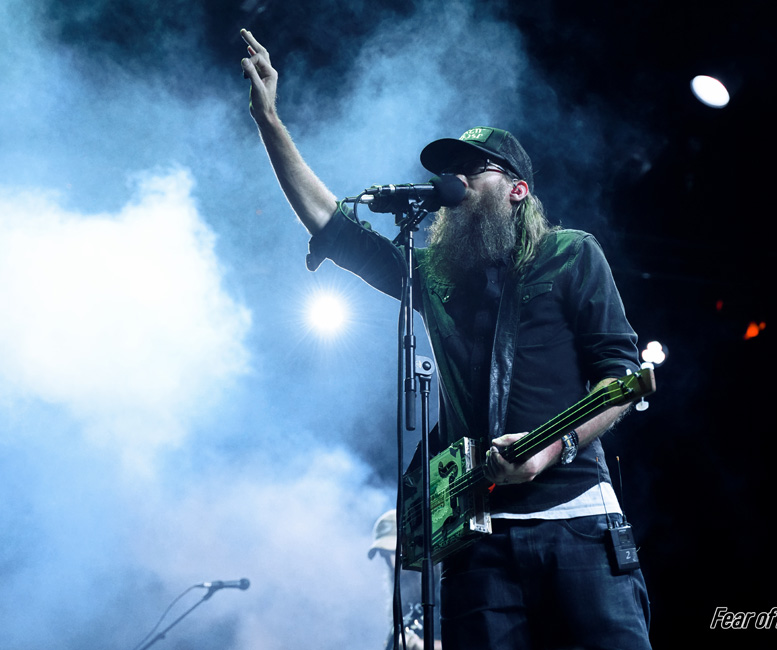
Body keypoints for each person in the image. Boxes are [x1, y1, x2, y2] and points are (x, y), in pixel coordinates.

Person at [240, 28, 652, 650]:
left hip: (579, 527)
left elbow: (619, 381)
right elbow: (333, 222)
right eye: (445, 173)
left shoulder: (571, 255)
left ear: (517, 189)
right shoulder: (434, 275)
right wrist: (270, 120)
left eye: (470, 170)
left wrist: (555, 448)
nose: (452, 182)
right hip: (478, 541)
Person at [369, 510, 442, 650]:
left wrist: (420, 645)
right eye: (385, 555)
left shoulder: (443, 579)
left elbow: (468, 641)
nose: (392, 563)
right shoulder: (400, 590)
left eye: (396, 552)